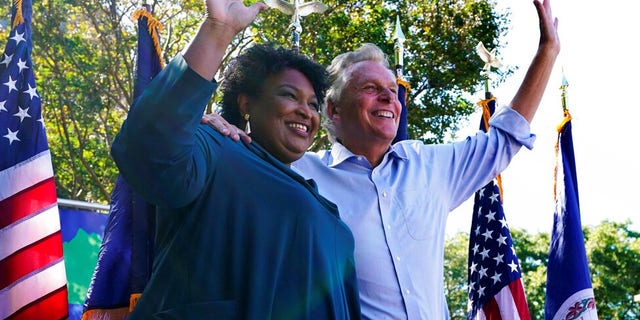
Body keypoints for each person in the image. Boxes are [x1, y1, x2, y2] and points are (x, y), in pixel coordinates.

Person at [204, 0, 560, 318]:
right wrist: (220, 126)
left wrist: (547, 50)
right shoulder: (296, 172)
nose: (389, 99)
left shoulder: (432, 166)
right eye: (371, 89)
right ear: (333, 109)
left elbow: (505, 136)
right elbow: (233, 161)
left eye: (392, 91)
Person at [110, 0, 362, 318]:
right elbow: (149, 150)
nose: (306, 112)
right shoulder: (216, 145)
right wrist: (219, 30)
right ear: (245, 104)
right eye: (289, 95)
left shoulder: (327, 211)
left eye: (313, 104)